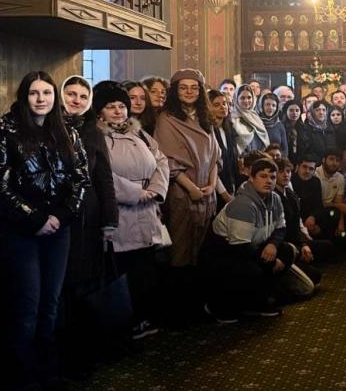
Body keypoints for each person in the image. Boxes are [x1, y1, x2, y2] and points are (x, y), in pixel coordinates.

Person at [0, 70, 90, 389]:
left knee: (50, 305)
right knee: (26, 305)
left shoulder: (69, 133)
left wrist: (61, 215)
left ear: (55, 98)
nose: (41, 99)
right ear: (24, 96)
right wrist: (35, 219)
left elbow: (80, 179)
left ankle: (47, 371)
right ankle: (23, 376)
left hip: (59, 228)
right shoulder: (6, 133)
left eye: (46, 93)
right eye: (34, 93)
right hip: (21, 230)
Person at [94, 81, 169, 341]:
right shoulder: (97, 137)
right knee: (123, 272)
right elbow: (102, 175)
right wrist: (136, 192)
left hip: (147, 209)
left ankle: (143, 317)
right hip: (120, 212)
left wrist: (155, 189)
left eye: (121, 106)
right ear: (100, 111)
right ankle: (125, 323)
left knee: (144, 272)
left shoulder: (140, 134)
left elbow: (161, 161)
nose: (118, 111)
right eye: (111, 107)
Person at [58, 76, 118, 377]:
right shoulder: (50, 127)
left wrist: (110, 220)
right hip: (57, 217)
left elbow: (104, 178)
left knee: (84, 288)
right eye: (71, 94)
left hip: (89, 218)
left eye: (83, 96)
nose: (76, 100)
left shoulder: (93, 131)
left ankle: (84, 355)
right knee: (60, 289)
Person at [154, 69, 219, 321]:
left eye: (194, 87)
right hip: (181, 192)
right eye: (183, 87)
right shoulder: (166, 119)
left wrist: (211, 184)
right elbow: (167, 159)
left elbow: (215, 156)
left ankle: (197, 305)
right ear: (175, 91)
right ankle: (179, 312)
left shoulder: (205, 118)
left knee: (202, 252)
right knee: (181, 251)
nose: (189, 92)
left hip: (206, 192)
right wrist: (190, 187)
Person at [204, 158, 293, 322]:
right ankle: (220, 306)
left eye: (272, 177)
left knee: (287, 250)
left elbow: (281, 228)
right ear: (251, 178)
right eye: (263, 176)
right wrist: (271, 261)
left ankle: (258, 302)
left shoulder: (275, 198)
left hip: (253, 246)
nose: (268, 181)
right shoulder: (243, 205)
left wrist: (273, 245)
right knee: (253, 270)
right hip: (225, 254)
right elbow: (240, 248)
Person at [274, 157, 330, 286]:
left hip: (296, 241)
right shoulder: (273, 196)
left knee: (327, 247)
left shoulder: (290, 194)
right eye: (281, 171)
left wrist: (304, 244)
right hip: (284, 245)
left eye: (288, 171)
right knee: (314, 277)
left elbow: (295, 225)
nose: (285, 175)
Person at [207, 89, 239, 208]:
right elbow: (211, 166)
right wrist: (224, 194)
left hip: (231, 184)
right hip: (215, 189)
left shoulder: (228, 129)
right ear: (208, 108)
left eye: (225, 103)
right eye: (216, 105)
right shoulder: (207, 131)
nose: (223, 107)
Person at [315, 151, 346, 239]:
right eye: (331, 159)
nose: (334, 163)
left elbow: (339, 204)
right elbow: (316, 203)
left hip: (329, 211)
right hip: (314, 210)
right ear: (323, 160)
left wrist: (341, 223)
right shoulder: (314, 174)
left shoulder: (340, 178)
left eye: (337, 160)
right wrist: (334, 205)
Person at [229, 85, 270, 155]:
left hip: (260, 156)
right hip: (241, 158)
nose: (246, 101)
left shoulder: (255, 117)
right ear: (236, 99)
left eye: (249, 97)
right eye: (242, 98)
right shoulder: (231, 118)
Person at [258, 93, 289, 159]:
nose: (270, 108)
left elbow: (285, 149)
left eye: (273, 105)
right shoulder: (256, 123)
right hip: (260, 161)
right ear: (262, 106)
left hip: (277, 160)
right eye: (267, 104)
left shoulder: (279, 125)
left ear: (277, 107)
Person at [280, 99, 304, 164]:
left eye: (297, 110)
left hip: (300, 161)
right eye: (291, 110)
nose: (294, 113)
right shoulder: (281, 127)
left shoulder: (304, 128)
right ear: (286, 111)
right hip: (284, 160)